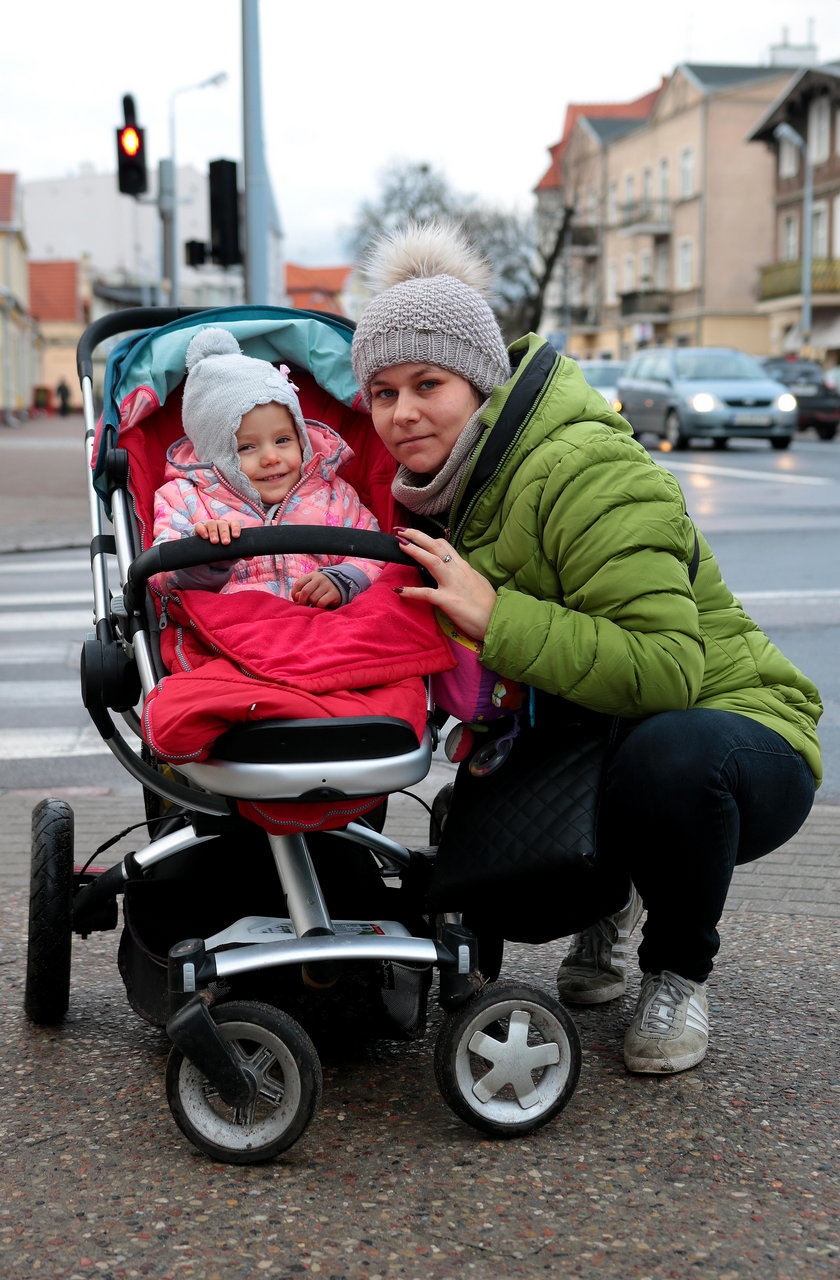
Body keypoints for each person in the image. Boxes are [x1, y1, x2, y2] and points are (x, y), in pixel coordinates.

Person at [349, 220, 822, 1075]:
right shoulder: (434, 495)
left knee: (672, 757)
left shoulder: (584, 466)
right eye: (382, 393)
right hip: (592, 737)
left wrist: (499, 619)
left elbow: (669, 670)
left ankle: (678, 968)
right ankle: (608, 897)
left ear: (483, 382)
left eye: (428, 382)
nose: (404, 412)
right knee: (497, 855)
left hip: (734, 733)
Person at [152, 327, 384, 607]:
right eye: (246, 447)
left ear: (301, 439)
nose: (271, 458)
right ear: (214, 453)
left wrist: (345, 578)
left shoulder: (335, 494)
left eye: (283, 440)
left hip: (326, 627)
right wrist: (202, 556)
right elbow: (161, 580)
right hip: (231, 630)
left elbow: (374, 548)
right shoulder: (183, 500)